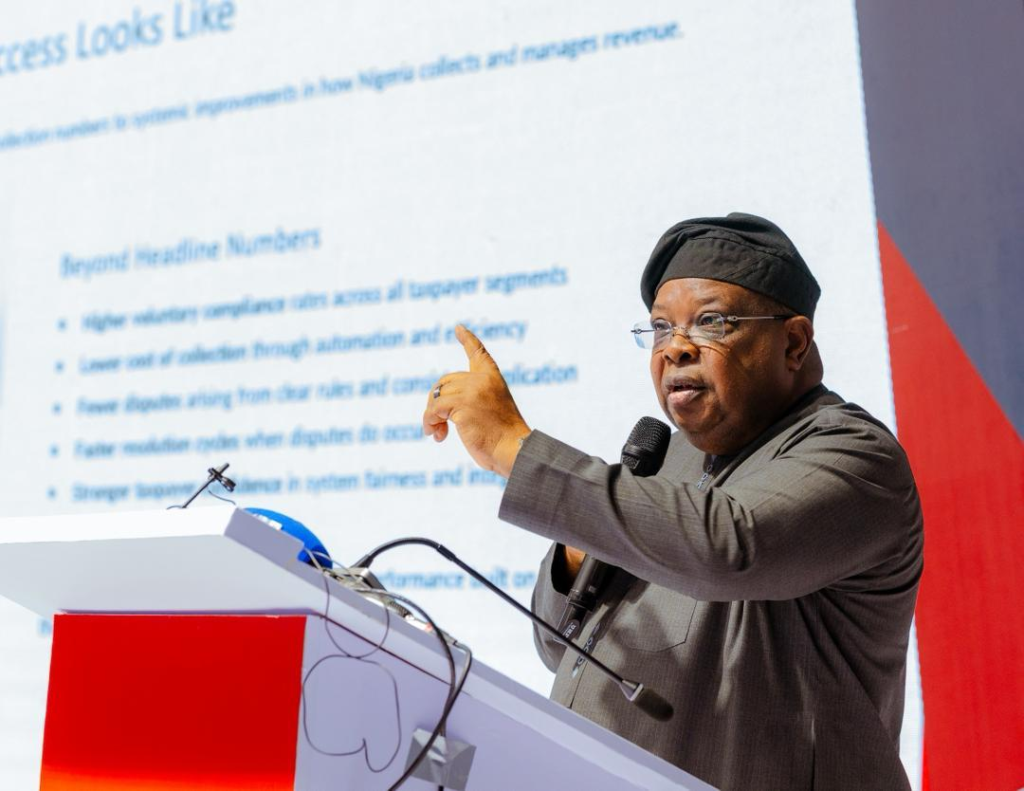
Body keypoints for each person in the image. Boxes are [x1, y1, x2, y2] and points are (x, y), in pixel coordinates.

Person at [422, 213, 923, 790]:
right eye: (661, 328)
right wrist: (580, 549)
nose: (676, 349)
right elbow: (557, 647)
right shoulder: (668, 459)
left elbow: (727, 548)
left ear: (793, 343)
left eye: (710, 322)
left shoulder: (855, 456)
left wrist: (516, 450)